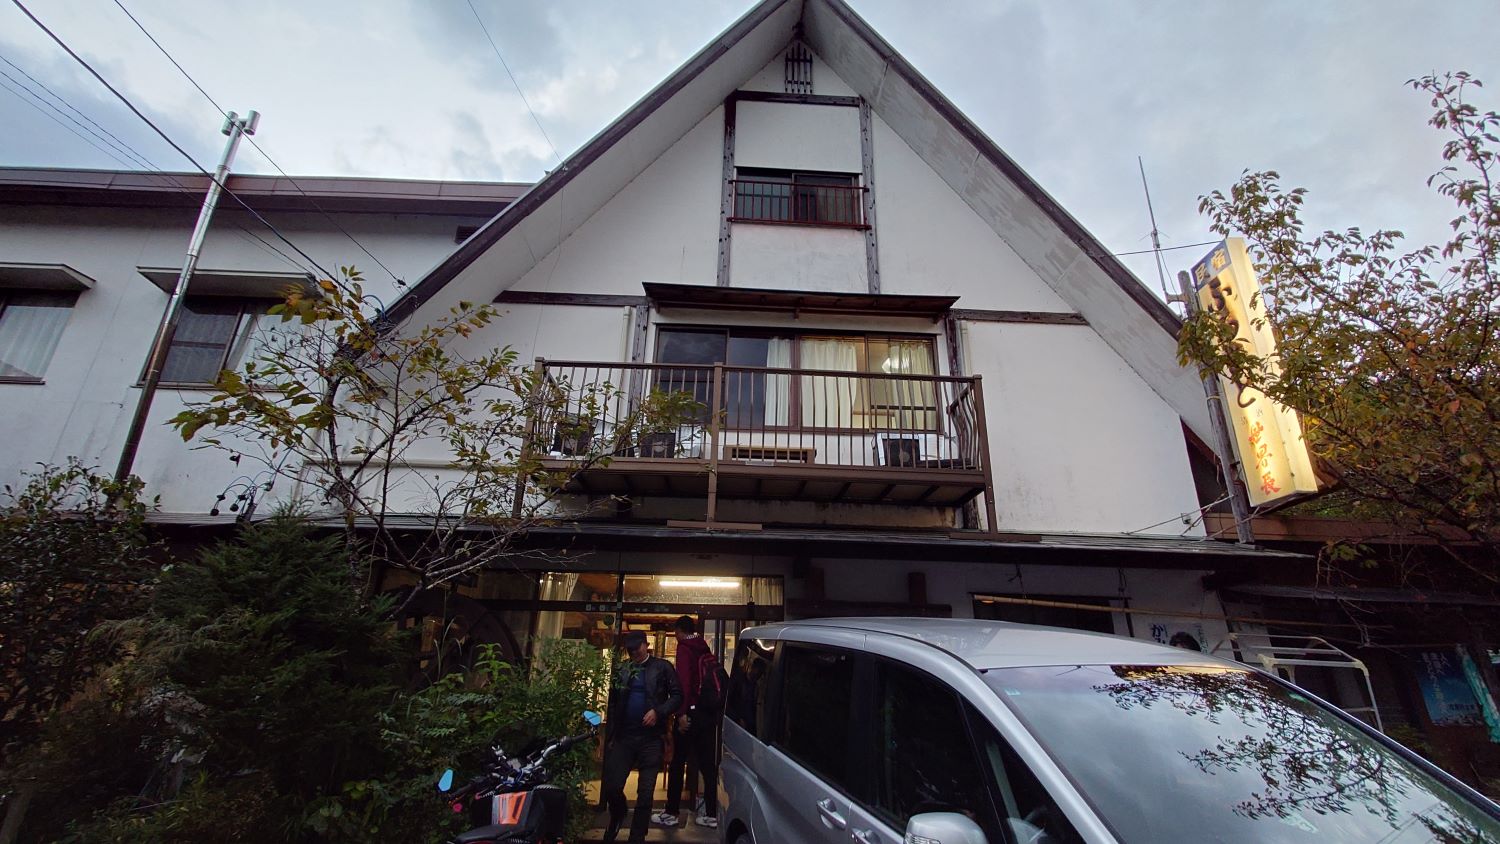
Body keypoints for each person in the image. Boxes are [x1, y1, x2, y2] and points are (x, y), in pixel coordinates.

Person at [602, 630, 682, 844]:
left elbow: (677, 696)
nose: (634, 653)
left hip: (651, 738)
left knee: (645, 793)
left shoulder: (662, 667)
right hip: (624, 736)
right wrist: (611, 735)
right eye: (630, 650)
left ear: (646, 645)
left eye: (637, 649)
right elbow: (613, 703)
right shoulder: (623, 669)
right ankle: (618, 814)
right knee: (612, 785)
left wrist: (658, 712)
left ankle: (637, 837)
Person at [653, 615, 721, 830]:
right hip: (707, 715)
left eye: (675, 631)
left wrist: (681, 713)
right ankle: (711, 814)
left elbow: (683, 682)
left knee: (677, 763)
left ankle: (671, 812)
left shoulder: (684, 648)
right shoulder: (703, 646)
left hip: (690, 715)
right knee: (708, 766)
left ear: (679, 630)